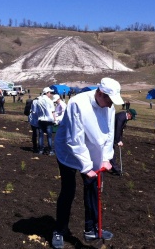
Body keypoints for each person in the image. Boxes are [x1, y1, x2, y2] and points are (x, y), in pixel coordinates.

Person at [52, 77, 124, 248]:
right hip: (69, 152)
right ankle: (60, 230)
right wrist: (86, 167)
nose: (110, 105)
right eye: (108, 100)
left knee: (93, 188)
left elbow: (108, 135)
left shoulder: (109, 106)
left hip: (92, 151)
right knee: (68, 190)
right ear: (100, 93)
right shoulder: (77, 104)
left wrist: (106, 158)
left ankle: (92, 229)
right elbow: (74, 139)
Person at [110, 108, 137, 176]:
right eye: (131, 117)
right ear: (129, 114)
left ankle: (114, 168)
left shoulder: (124, 118)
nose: (131, 119)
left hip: (112, 135)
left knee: (110, 151)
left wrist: (120, 140)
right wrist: (117, 140)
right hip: (109, 135)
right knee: (111, 152)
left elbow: (121, 130)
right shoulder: (121, 117)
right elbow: (118, 129)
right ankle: (116, 169)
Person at [38, 87, 56, 155]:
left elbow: (37, 111)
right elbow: (53, 111)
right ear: (47, 93)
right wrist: (55, 119)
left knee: (40, 136)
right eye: (50, 93)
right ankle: (51, 150)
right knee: (49, 136)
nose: (51, 94)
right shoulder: (50, 101)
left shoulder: (39, 100)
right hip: (48, 120)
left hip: (41, 119)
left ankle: (40, 150)